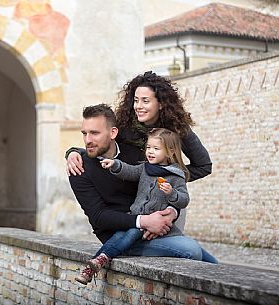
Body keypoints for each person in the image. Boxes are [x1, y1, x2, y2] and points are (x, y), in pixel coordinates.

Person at [68, 104, 217, 285]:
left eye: (95, 133)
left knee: (213, 264)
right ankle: (95, 263)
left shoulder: (136, 153)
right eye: (84, 133)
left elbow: (167, 175)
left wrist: (172, 211)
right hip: (119, 238)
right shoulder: (79, 168)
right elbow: (99, 216)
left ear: (113, 132)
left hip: (156, 226)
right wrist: (145, 221)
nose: (87, 140)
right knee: (192, 251)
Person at [67, 71, 212, 240]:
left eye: (145, 101)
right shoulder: (124, 125)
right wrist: (73, 152)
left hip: (168, 201)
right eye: (136, 100)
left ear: (161, 103)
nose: (138, 106)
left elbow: (204, 166)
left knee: (177, 250)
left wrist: (167, 176)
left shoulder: (178, 128)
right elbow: (101, 145)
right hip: (138, 205)